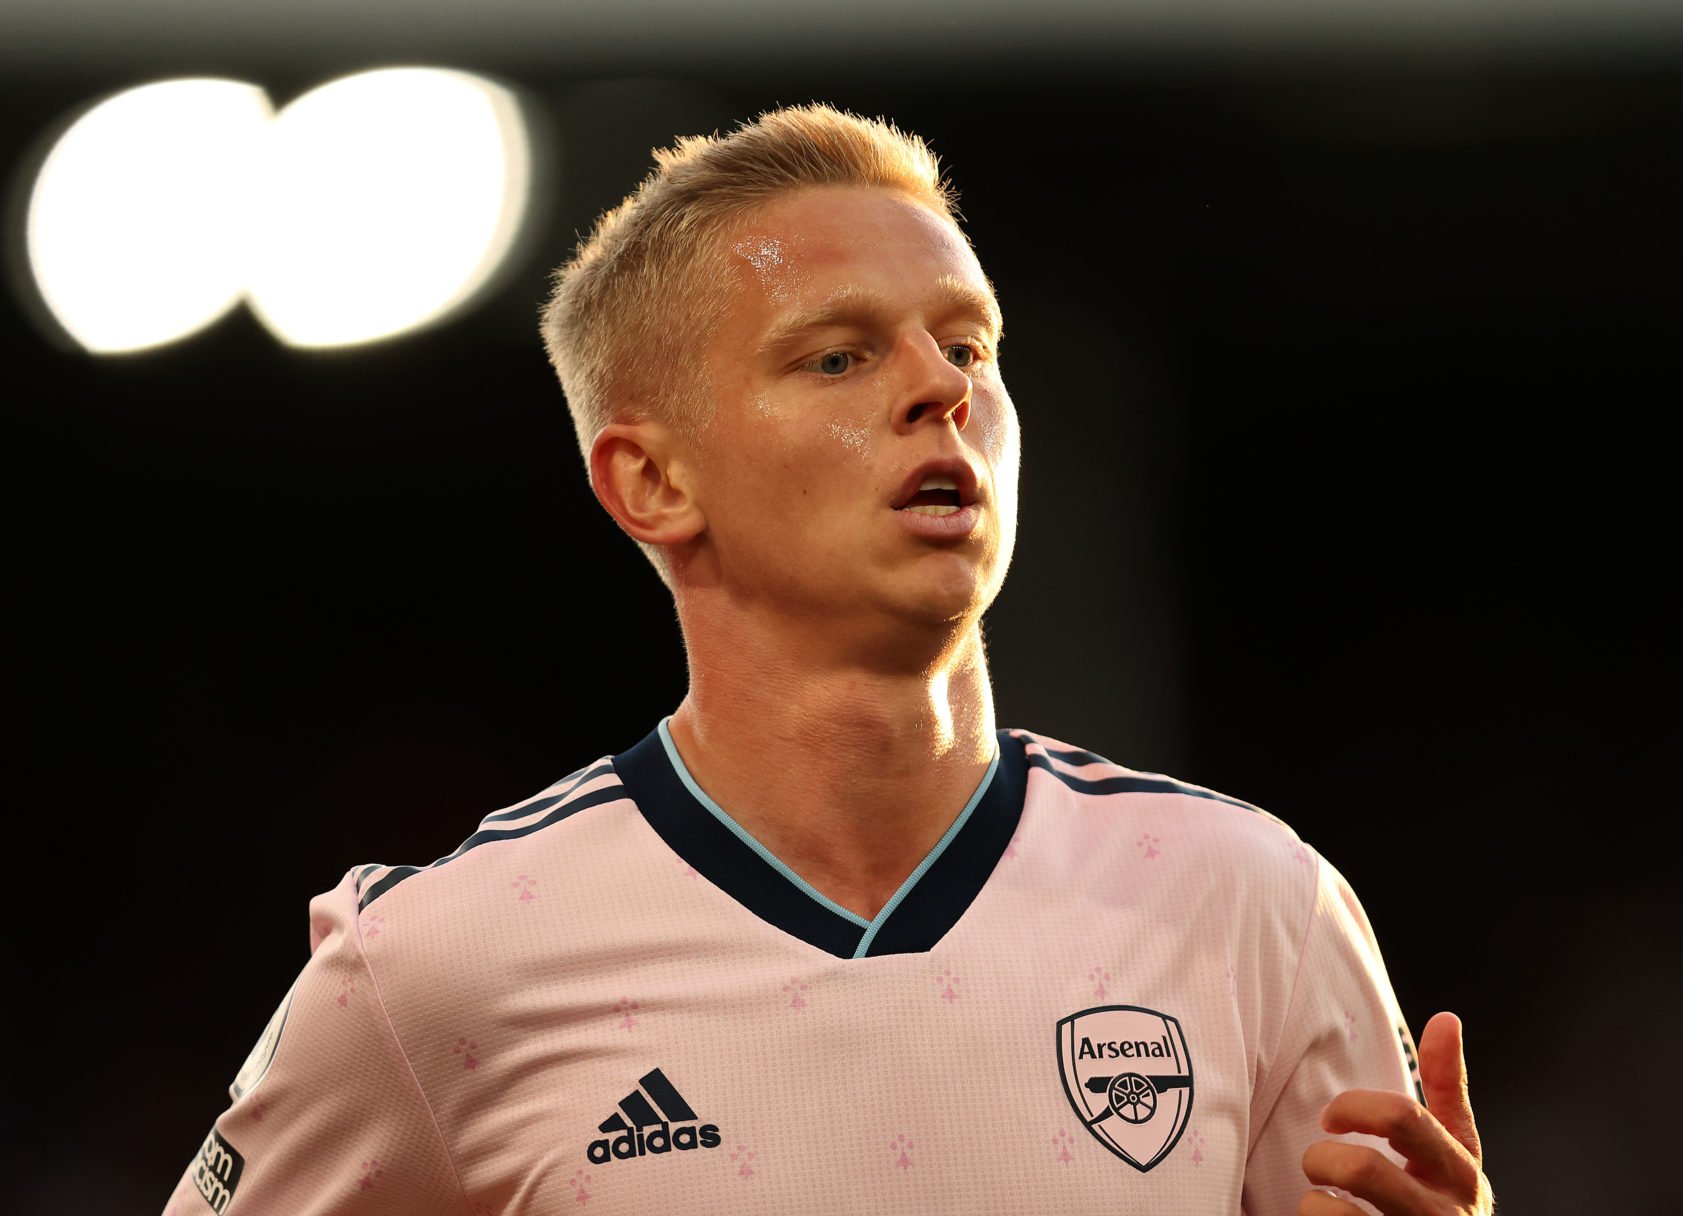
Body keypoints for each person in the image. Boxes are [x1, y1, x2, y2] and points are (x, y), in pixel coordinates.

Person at [165, 104, 1493, 1216]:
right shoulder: (437, 969)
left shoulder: (1246, 903)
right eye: (840, 354)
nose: (944, 388)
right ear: (652, 481)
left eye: (968, 344)